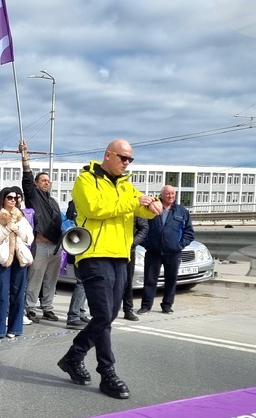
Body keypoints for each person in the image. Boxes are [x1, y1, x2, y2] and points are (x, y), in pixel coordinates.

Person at [56, 140, 161, 399]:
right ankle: (107, 372)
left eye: (130, 159)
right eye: (123, 158)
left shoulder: (127, 184)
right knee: (103, 315)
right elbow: (95, 208)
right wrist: (133, 203)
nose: (127, 163)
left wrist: (152, 206)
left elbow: (141, 211)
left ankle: (74, 355)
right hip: (94, 254)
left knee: (109, 315)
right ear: (108, 155)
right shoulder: (86, 180)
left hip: (119, 256)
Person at [20, 141, 63, 323]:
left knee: (50, 280)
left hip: (55, 246)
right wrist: (25, 158)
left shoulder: (53, 201)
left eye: (48, 181)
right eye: (43, 180)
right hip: (40, 245)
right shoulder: (33, 196)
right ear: (36, 184)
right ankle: (30, 308)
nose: (46, 183)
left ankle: (47, 308)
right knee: (35, 279)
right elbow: (27, 180)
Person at [138, 185, 195, 315]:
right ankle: (146, 306)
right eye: (168, 194)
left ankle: (167, 305)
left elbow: (189, 232)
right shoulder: (152, 209)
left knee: (171, 279)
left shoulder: (181, 211)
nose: (171, 196)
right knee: (150, 279)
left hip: (173, 252)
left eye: (173, 194)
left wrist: (180, 245)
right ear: (162, 195)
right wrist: (146, 244)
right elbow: (141, 228)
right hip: (153, 251)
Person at [0, 187, 33, 340]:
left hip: (19, 259)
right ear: (3, 199)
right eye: (10, 197)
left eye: (15, 198)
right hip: (3, 259)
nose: (13, 200)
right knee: (1, 293)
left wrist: (17, 229)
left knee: (18, 294)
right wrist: (7, 229)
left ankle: (15, 328)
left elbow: (29, 237)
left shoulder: (21, 217)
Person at [63, 199, 91, 330]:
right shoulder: (75, 205)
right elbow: (70, 228)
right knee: (81, 282)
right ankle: (73, 316)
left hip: (86, 248)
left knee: (85, 283)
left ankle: (80, 313)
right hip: (80, 249)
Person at [122, 216, 149, 321]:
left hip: (128, 250)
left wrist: (133, 243)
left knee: (127, 281)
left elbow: (144, 227)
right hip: (110, 249)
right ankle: (106, 310)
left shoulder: (134, 205)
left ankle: (128, 310)